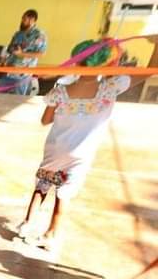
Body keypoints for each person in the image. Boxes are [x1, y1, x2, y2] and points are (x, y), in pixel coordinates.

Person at [15, 37, 158, 251]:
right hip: (80, 153)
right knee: (64, 194)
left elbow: (45, 120)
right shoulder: (110, 88)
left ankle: (27, 224)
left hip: (55, 148)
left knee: (42, 186)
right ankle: (50, 235)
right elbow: (151, 70)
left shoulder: (60, 90)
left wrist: (67, 112)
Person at [0, 9, 48, 96]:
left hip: (22, 75)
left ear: (32, 20)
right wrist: (3, 59)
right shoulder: (18, 34)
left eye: (24, 19)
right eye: (22, 18)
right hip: (8, 71)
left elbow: (42, 54)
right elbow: (9, 49)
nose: (22, 21)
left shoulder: (39, 35)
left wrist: (22, 54)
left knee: (16, 100)